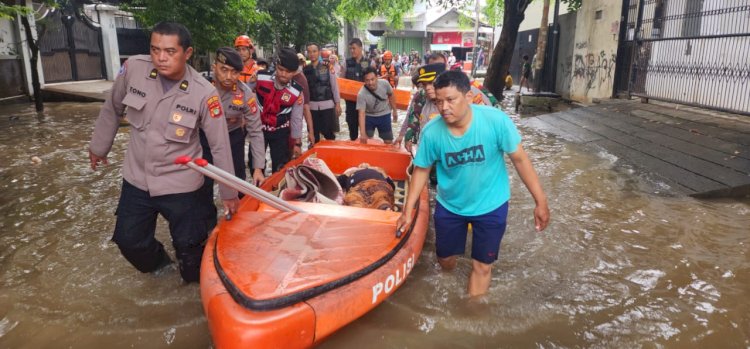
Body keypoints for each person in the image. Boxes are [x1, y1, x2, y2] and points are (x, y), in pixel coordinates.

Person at [88, 22, 239, 283]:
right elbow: (113, 107)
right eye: (155, 49)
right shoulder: (134, 69)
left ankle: (190, 293)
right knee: (129, 240)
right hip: (138, 179)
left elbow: (219, 145)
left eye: (170, 51)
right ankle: (162, 269)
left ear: (187, 53)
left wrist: (229, 193)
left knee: (191, 250)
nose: (160, 58)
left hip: (181, 184)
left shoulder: (204, 93)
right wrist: (99, 147)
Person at [397, 70, 550, 297]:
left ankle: (472, 314)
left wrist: (541, 201)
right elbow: (421, 170)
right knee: (445, 260)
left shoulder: (495, 121)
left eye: (450, 99)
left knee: (482, 266)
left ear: (468, 97)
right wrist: (407, 210)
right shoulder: (431, 132)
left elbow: (520, 159)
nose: (444, 107)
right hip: (450, 205)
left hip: (492, 205)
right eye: (439, 101)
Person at [199, 47, 264, 198]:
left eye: (234, 72)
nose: (229, 76)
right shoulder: (200, 89)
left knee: (237, 183)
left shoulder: (245, 94)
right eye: (224, 70)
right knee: (201, 185)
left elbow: (255, 131)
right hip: (204, 139)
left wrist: (258, 167)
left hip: (232, 138)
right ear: (214, 67)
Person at [254, 48, 305, 172]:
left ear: (294, 72)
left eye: (288, 72)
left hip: (280, 133)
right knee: (254, 164)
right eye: (280, 69)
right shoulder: (260, 77)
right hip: (259, 130)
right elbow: (245, 94)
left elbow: (296, 119)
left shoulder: (296, 92)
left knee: (280, 167)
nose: (283, 74)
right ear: (276, 66)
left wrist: (297, 143)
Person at [304, 42, 341, 142]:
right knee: (313, 135)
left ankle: (331, 155)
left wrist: (337, 103)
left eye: (314, 51)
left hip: (328, 106)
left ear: (319, 52)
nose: (312, 54)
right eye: (310, 52)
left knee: (329, 134)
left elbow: (334, 86)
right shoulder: (305, 70)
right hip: (312, 107)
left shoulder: (328, 66)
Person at [340, 38, 373, 140]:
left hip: (366, 104)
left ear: (360, 48)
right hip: (351, 104)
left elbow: (375, 83)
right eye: (350, 49)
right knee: (353, 133)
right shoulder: (346, 63)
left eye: (354, 48)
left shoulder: (369, 63)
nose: (352, 51)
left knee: (368, 134)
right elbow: (341, 82)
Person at [356, 66, 398, 145]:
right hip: (369, 116)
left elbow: (391, 95)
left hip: (384, 114)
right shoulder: (361, 94)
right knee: (366, 140)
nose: (370, 83)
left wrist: (395, 111)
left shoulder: (385, 84)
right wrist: (362, 134)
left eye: (372, 79)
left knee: (388, 141)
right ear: (364, 81)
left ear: (377, 77)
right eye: (367, 80)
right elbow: (361, 114)